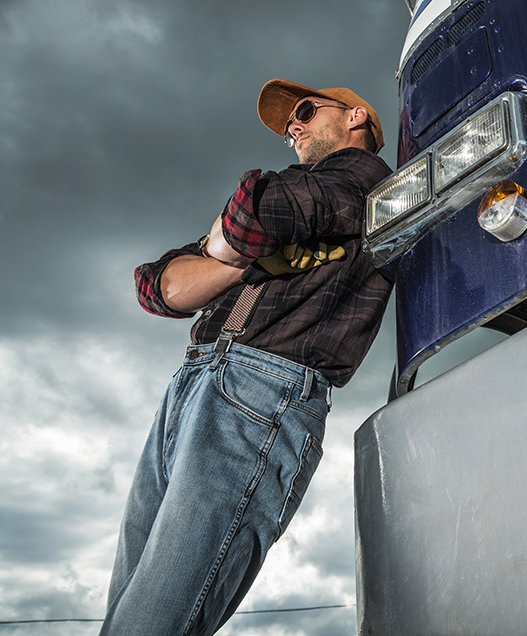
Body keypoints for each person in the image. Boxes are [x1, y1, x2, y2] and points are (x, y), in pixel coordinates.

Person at [99, 79, 393, 635]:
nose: (293, 127)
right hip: (194, 383)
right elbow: (157, 287)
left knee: (151, 621)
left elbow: (255, 208)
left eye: (305, 111)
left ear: (356, 117)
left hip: (264, 388)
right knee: (127, 610)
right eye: (288, 126)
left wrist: (231, 247)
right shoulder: (310, 194)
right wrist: (238, 256)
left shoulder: (365, 181)